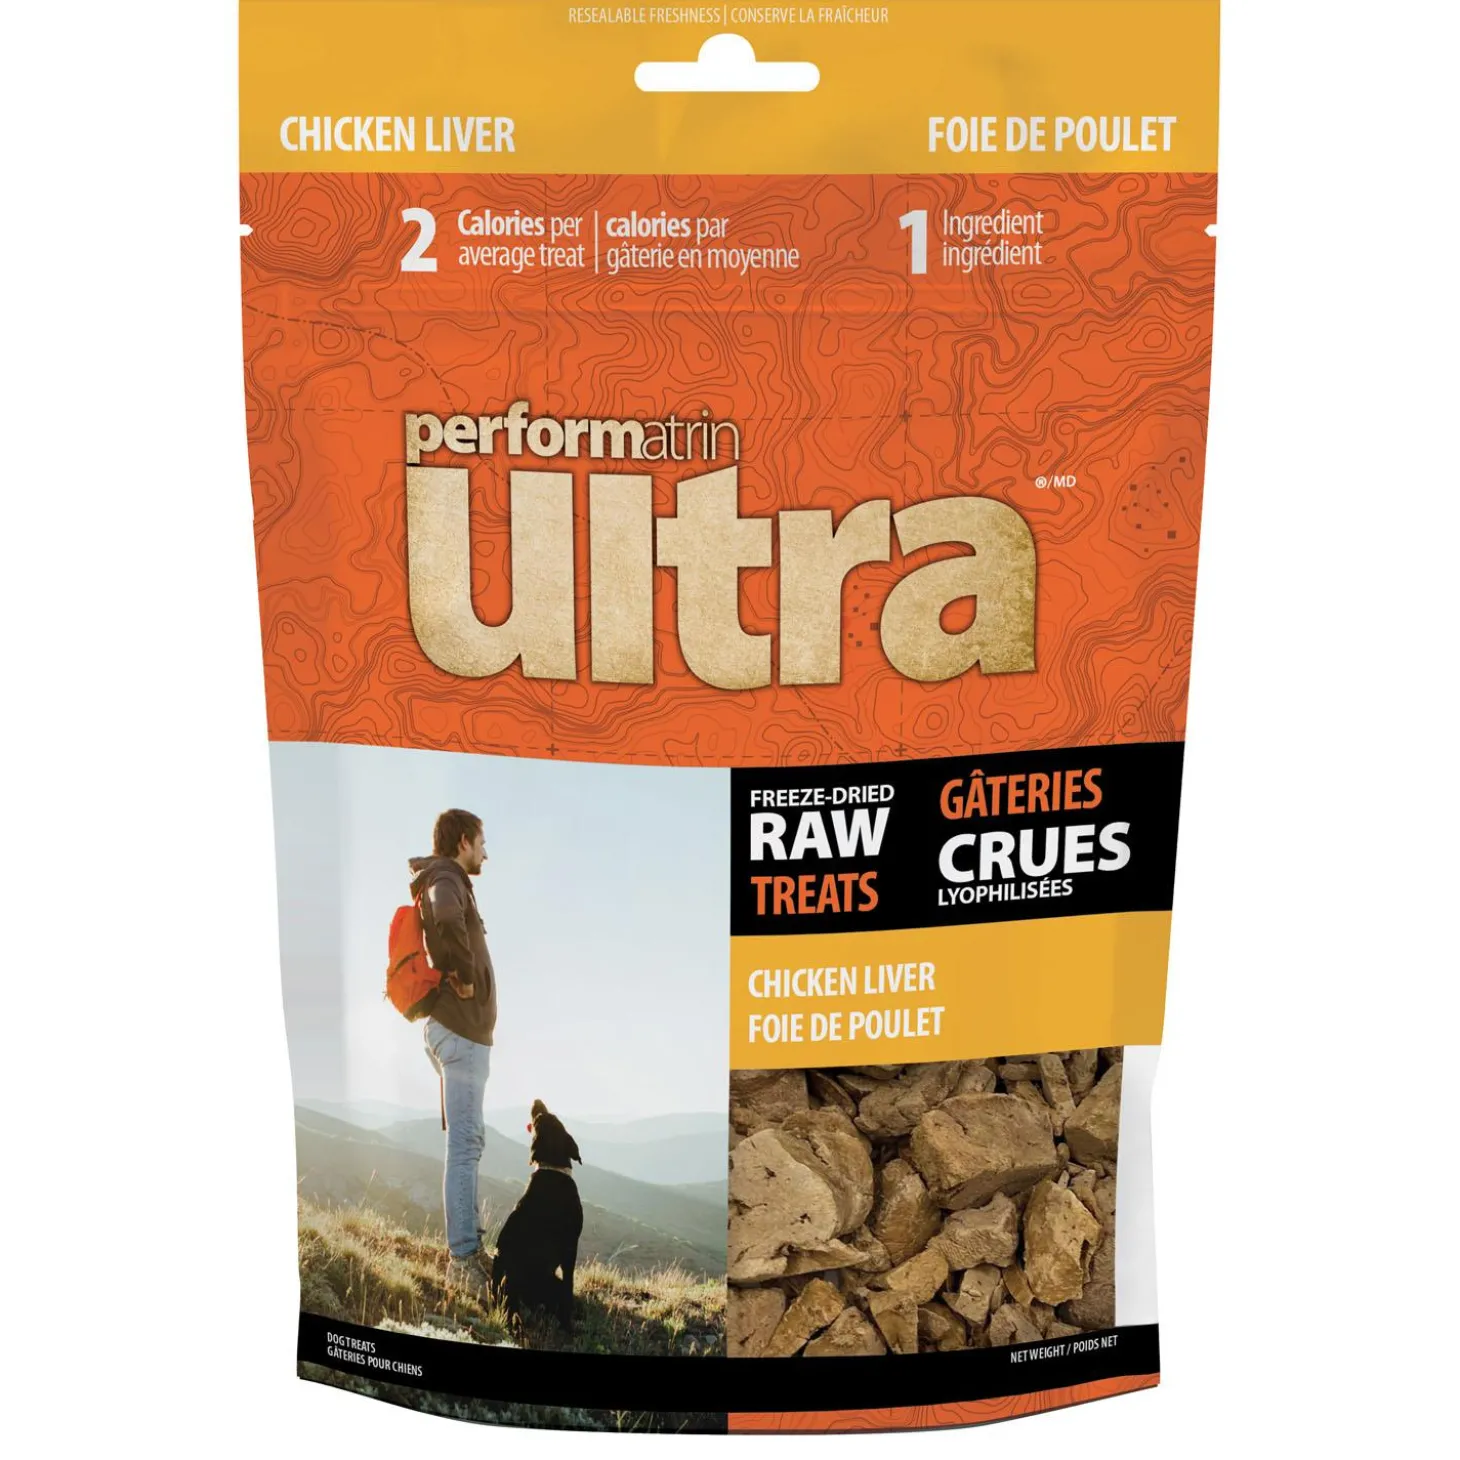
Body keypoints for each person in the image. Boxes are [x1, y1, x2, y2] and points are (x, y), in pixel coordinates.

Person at [409, 808, 497, 1293]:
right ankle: (463, 1264)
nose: (486, 853)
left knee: (469, 1142)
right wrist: (465, 976)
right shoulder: (446, 878)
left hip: (464, 1033)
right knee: (464, 1146)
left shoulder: (448, 879)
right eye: (482, 842)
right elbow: (444, 915)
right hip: (459, 1032)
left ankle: (469, 1251)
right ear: (464, 841)